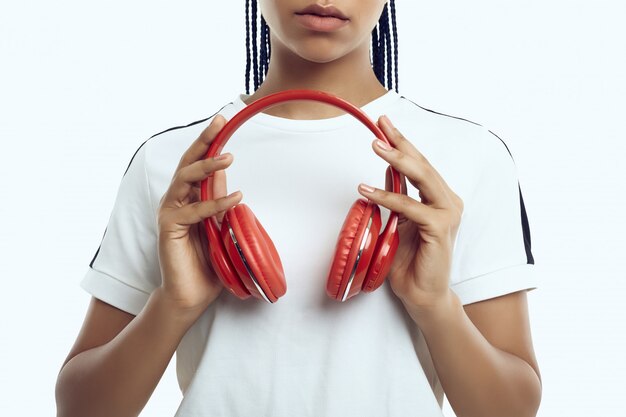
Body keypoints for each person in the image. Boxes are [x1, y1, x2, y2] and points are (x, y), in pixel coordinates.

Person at [55, 1, 542, 416]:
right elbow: (79, 406)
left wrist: (436, 308)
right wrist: (172, 306)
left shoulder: (469, 156)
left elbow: (511, 408)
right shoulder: (173, 165)